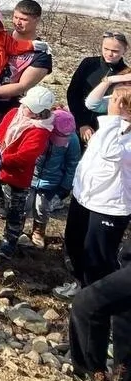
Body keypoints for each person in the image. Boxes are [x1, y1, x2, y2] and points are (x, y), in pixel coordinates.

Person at [54, 82, 131, 301]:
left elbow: (110, 153)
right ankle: (81, 286)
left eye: (116, 101)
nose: (111, 105)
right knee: (75, 243)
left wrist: (113, 119)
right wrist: (110, 81)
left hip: (109, 207)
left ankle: (99, 301)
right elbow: (91, 103)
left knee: (98, 257)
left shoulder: (114, 129)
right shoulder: (112, 127)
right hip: (84, 198)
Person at [0, 85, 57, 258]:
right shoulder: (14, 113)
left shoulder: (41, 130)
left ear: (40, 113)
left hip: (17, 177)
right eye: (26, 105)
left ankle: (8, 244)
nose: (25, 108)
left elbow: (26, 157)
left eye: (30, 108)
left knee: (15, 213)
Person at [26, 107, 80, 248]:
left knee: (42, 207)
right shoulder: (38, 131)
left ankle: (39, 231)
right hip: (30, 177)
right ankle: (17, 229)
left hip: (51, 181)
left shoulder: (72, 140)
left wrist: (66, 186)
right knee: (25, 204)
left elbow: (72, 164)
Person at [69, 31, 129, 145]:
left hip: (104, 129)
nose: (109, 54)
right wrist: (82, 123)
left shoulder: (126, 74)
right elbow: (73, 93)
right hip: (77, 121)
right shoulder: (88, 64)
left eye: (115, 51)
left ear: (124, 50)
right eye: (105, 49)